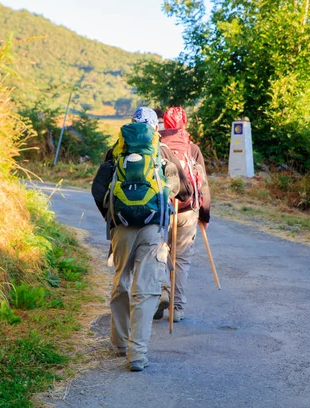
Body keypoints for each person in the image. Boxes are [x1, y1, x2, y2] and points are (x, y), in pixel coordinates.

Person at [91, 107, 192, 371]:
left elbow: (98, 187)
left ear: (130, 126)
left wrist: (110, 216)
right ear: (155, 128)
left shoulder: (116, 150)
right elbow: (183, 188)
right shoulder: (161, 150)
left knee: (121, 280)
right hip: (152, 228)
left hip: (121, 228)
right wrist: (166, 197)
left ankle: (119, 343)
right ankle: (136, 355)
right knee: (146, 288)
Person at [155, 106, 211, 323]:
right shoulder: (192, 148)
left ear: (165, 124)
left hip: (161, 209)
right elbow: (202, 182)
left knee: (160, 253)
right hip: (187, 209)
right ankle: (176, 308)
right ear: (184, 122)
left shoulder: (156, 145)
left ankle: (161, 291)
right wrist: (204, 216)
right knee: (182, 260)